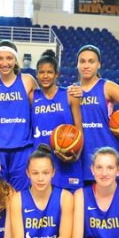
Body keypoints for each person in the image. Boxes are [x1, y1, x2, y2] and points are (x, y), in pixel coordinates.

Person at [0, 40, 39, 191]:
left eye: (9, 58)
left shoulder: (27, 81)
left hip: (22, 149)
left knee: (20, 194)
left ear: (15, 60)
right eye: (0, 58)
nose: (4, 63)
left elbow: (42, 103)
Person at [74, 45, 119, 184]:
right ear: (77, 64)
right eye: (82, 61)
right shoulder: (72, 91)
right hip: (82, 159)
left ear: (98, 64)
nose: (86, 65)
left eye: (91, 61)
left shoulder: (107, 87)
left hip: (108, 156)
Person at [31, 49, 83, 192]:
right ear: (36, 74)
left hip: (67, 159)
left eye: (49, 72)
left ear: (57, 74)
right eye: (41, 72)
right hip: (41, 161)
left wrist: (76, 155)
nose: (45, 76)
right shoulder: (32, 97)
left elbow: (79, 128)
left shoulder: (69, 95)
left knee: (69, 203)